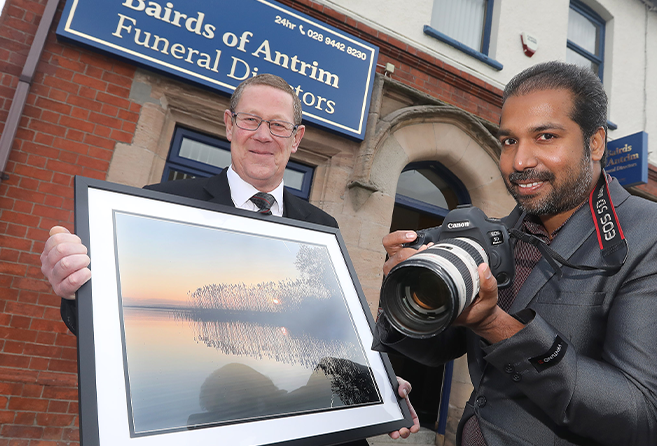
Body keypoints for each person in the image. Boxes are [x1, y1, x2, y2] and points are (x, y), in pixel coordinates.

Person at [40, 73, 419, 443]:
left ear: (297, 138)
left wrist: (377, 383)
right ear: (229, 124)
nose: (263, 135)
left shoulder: (321, 228)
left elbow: (329, 333)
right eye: (251, 120)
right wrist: (76, 288)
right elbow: (123, 322)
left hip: (304, 424)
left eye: (278, 125)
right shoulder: (159, 206)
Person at [373, 61, 657, 445]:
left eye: (546, 137)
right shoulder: (501, 233)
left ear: (595, 142)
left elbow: (644, 419)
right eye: (509, 141)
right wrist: (412, 293)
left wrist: (495, 325)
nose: (520, 161)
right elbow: (440, 349)